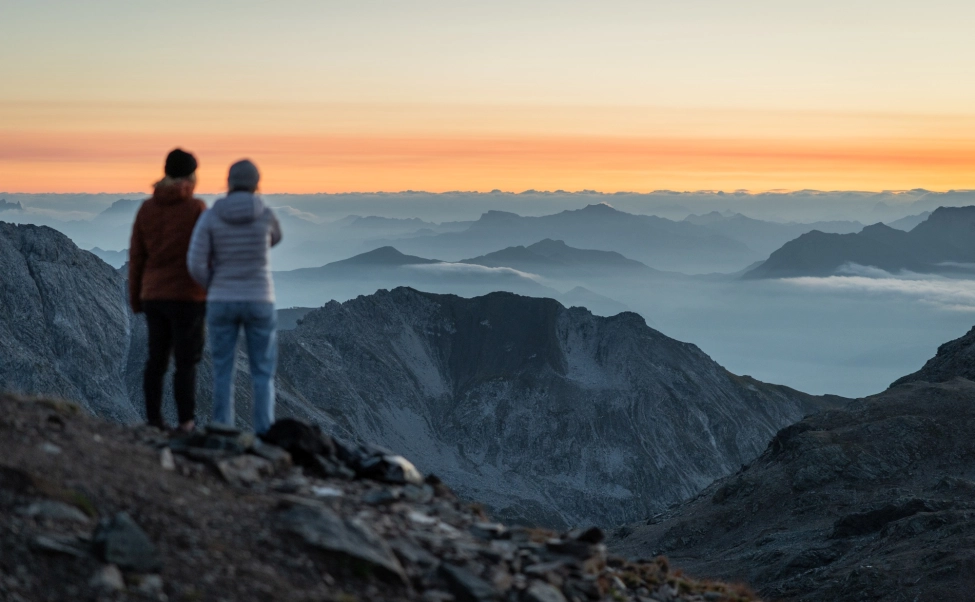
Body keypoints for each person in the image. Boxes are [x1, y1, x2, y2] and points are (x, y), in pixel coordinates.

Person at [187, 159, 282, 434]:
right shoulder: (265, 214)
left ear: (229, 182)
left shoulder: (211, 216)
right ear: (256, 184)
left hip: (221, 300)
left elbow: (195, 263)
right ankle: (264, 433)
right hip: (259, 298)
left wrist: (214, 284)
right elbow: (276, 238)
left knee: (222, 369)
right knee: (262, 373)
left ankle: (223, 430)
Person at [129, 148, 207, 432]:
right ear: (191, 176)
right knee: (186, 361)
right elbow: (207, 254)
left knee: (156, 359)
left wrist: (136, 298)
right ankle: (186, 423)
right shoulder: (196, 209)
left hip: (154, 296)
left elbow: (137, 256)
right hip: (187, 296)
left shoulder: (147, 209)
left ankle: (153, 420)